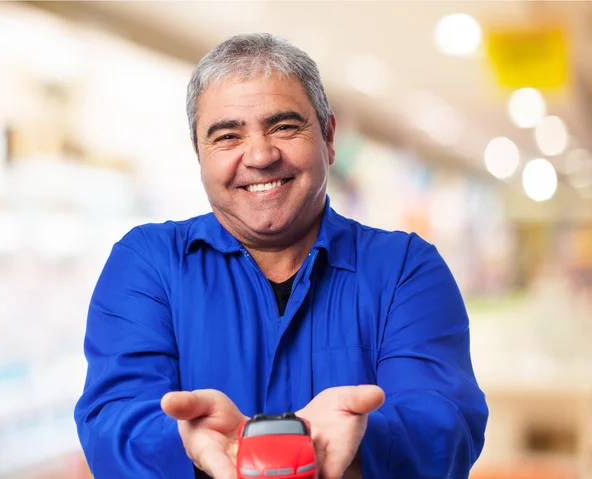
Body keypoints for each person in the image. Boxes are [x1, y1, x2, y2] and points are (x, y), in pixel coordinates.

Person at [74, 33, 489, 478]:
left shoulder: (407, 269)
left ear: (329, 138)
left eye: (284, 127)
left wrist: (363, 440)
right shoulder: (148, 264)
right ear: (199, 155)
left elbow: (446, 419)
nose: (260, 154)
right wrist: (186, 445)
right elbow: (111, 421)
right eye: (227, 136)